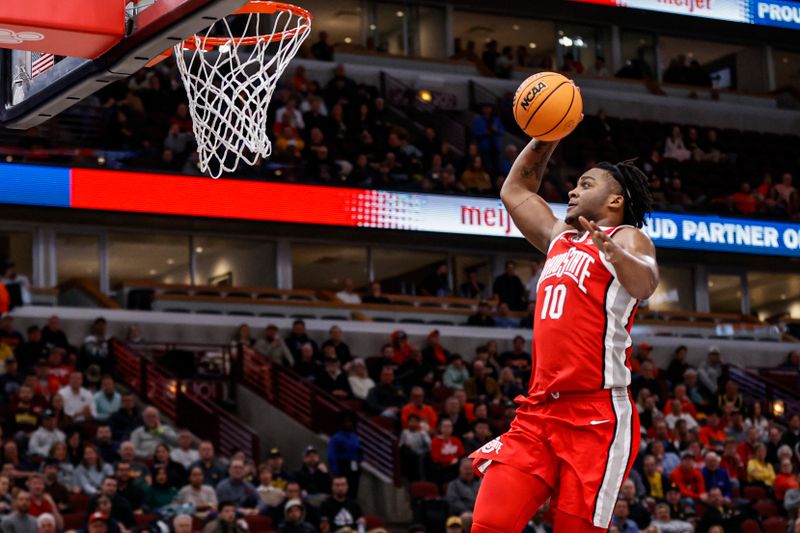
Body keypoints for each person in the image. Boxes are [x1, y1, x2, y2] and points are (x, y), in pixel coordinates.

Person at [469, 131, 659, 532]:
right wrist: (547, 135)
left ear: (615, 201)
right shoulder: (560, 239)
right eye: (575, 183)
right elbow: (515, 188)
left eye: (585, 184)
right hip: (538, 410)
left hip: (595, 414)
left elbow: (645, 282)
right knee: (490, 521)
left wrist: (615, 252)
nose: (572, 191)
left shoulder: (627, 237)